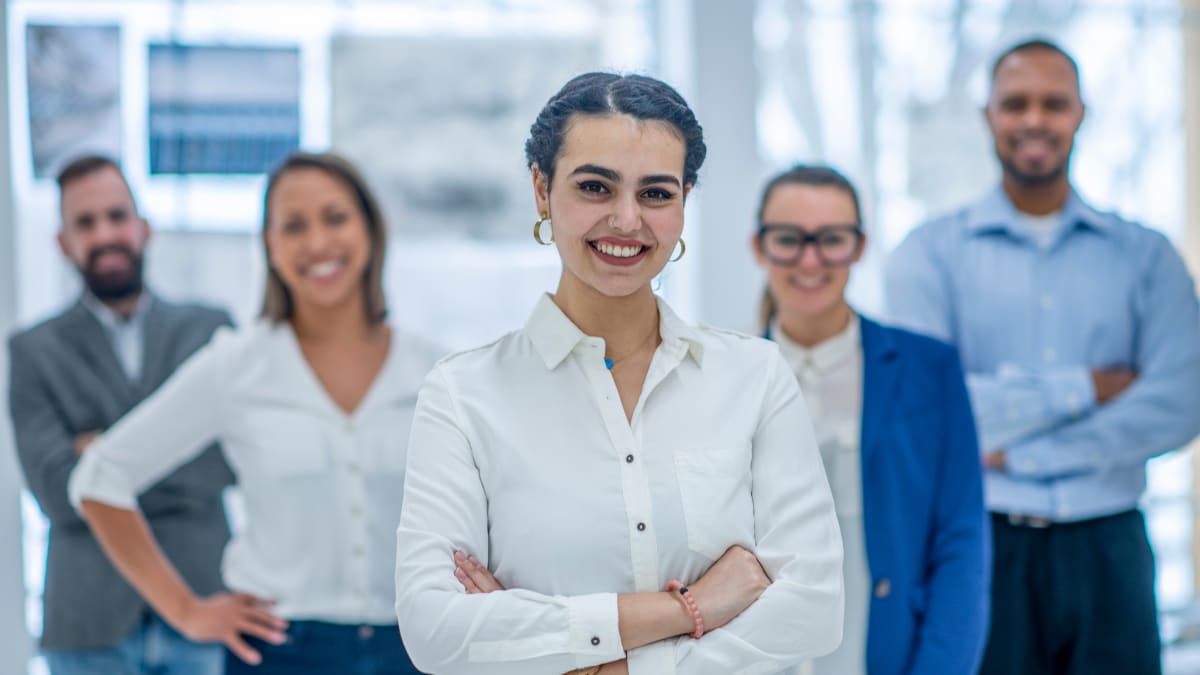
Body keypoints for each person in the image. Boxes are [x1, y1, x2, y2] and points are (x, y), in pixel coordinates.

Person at [394, 72, 844, 675]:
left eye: (656, 194)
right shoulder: (463, 395)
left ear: (684, 202)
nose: (627, 220)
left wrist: (608, 666)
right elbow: (436, 632)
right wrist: (693, 608)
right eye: (595, 187)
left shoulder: (755, 376)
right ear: (541, 190)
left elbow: (813, 608)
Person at [886, 39, 1200, 675]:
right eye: (1016, 103)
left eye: (1053, 104)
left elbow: (1180, 401)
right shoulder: (929, 255)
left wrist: (1028, 452)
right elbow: (929, 407)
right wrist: (1087, 386)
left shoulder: (1147, 257)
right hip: (981, 543)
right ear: (989, 116)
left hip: (1109, 545)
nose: (1034, 120)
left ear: (1081, 114)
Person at [67, 152, 444, 674]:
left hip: (416, 650)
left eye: (335, 218)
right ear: (269, 245)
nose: (317, 243)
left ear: (369, 228)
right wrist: (187, 612)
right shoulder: (236, 366)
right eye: (293, 225)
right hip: (280, 652)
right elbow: (99, 478)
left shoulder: (435, 371)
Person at [752, 164, 988, 675]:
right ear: (759, 247)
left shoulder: (929, 369)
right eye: (789, 239)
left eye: (832, 239)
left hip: (887, 650)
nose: (810, 260)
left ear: (859, 247)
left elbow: (960, 541)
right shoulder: (724, 374)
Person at [8, 155, 234, 675]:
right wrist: (174, 446)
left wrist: (99, 454)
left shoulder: (209, 331)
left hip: (205, 605)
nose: (105, 233)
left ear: (143, 227)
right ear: (63, 242)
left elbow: (225, 464)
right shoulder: (32, 351)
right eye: (85, 223)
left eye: (116, 216)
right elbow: (56, 492)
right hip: (88, 626)